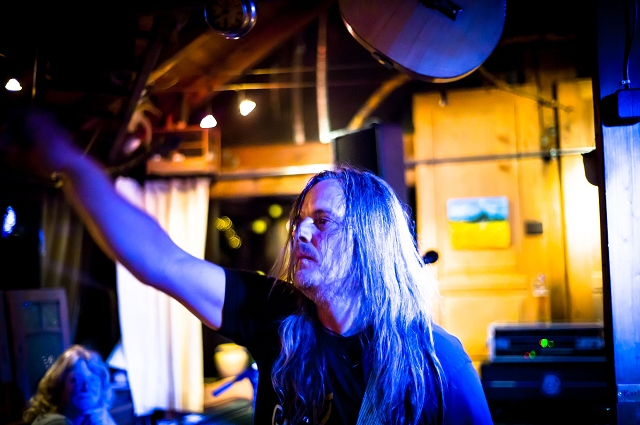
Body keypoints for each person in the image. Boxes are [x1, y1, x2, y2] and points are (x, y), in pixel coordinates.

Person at [6, 110, 493, 424]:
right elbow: (161, 262)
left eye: (323, 222)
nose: (300, 233)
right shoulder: (277, 314)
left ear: (371, 240)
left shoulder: (438, 362)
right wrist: (68, 162)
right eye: (300, 221)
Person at [22, 345, 117, 425]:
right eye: (75, 380)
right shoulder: (55, 422)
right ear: (58, 387)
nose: (86, 387)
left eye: (93, 380)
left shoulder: (98, 415)